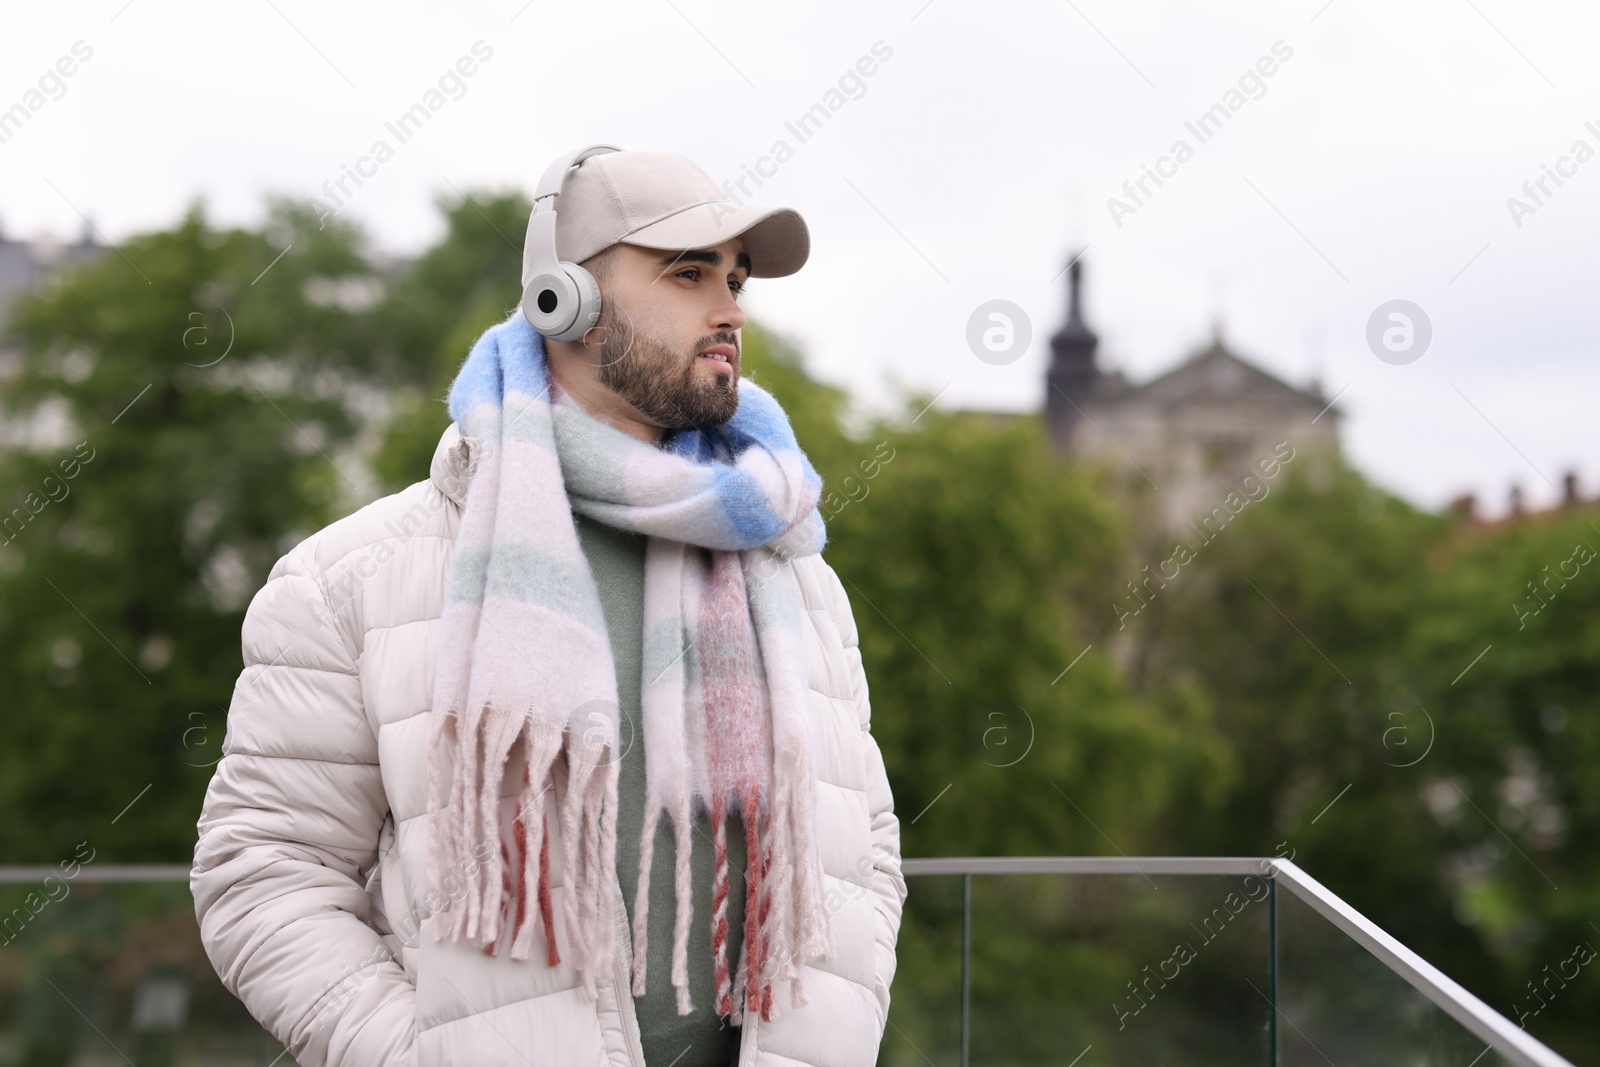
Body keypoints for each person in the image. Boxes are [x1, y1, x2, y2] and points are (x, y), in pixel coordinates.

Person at [190, 145, 905, 1067]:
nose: (730, 310)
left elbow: (867, 848)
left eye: (736, 278)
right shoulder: (353, 579)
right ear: (562, 300)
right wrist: (414, 1054)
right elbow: (263, 872)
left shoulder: (791, 564)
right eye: (687, 274)